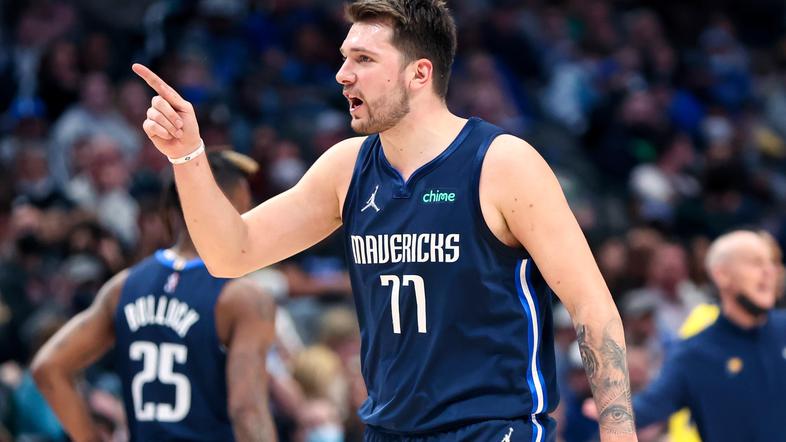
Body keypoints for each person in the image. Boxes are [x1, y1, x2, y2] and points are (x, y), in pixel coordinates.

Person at [132, 1, 636, 441]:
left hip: (491, 428)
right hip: (388, 430)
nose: (342, 74)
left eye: (364, 60)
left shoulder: (503, 164)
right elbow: (229, 254)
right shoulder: (346, 167)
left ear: (419, 73)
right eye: (344, 58)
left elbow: (591, 306)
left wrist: (619, 433)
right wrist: (187, 156)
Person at [31, 151, 278, 442]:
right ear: (229, 206)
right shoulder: (242, 298)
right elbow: (247, 411)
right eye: (246, 208)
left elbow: (48, 368)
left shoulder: (123, 286)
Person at [586, 230, 786, 441]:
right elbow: (647, 407)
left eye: (772, 263)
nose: (769, 271)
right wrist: (611, 411)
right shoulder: (696, 354)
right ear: (722, 275)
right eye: (755, 263)